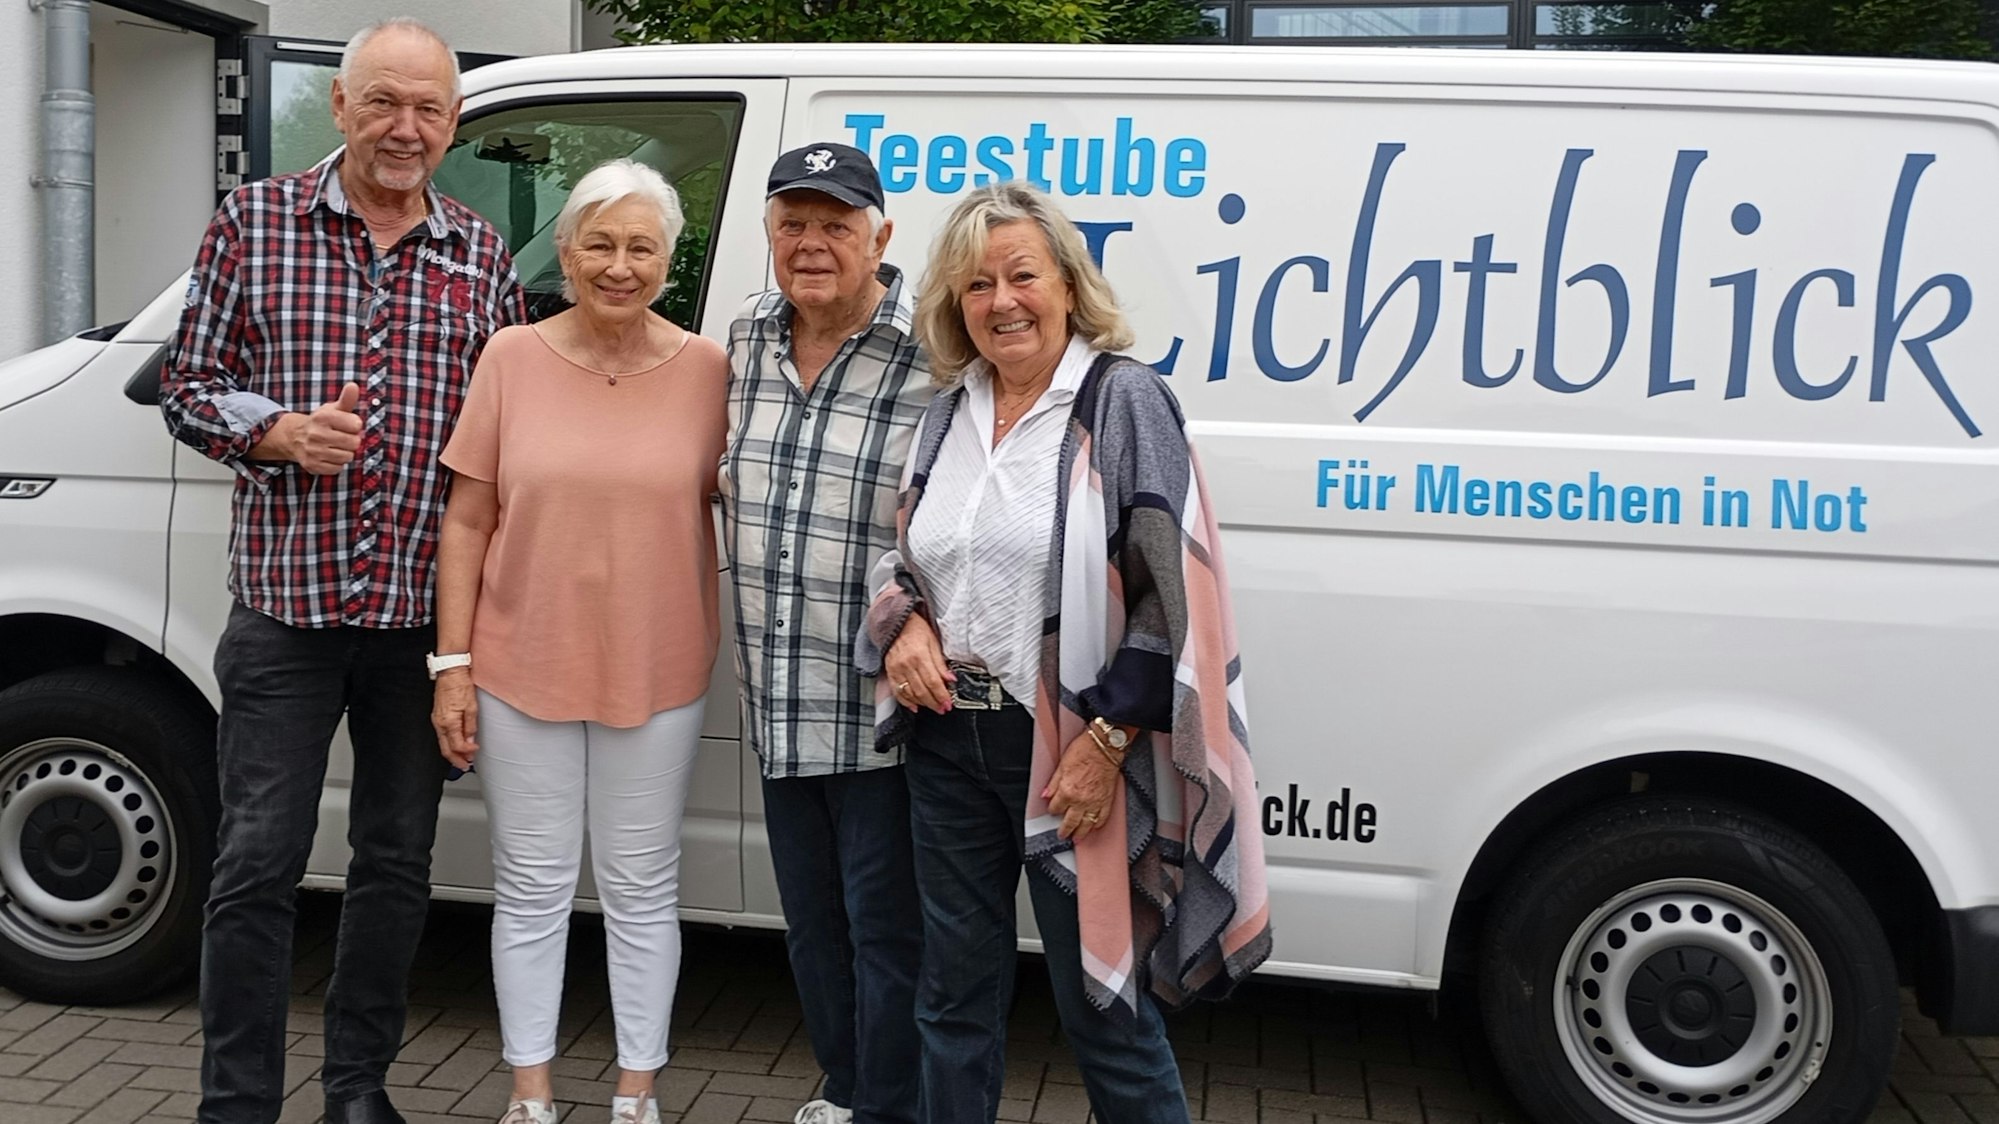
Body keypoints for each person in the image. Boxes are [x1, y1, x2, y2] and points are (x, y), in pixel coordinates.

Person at [159, 19, 525, 1124]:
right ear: (341, 107)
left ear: (453, 122)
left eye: (428, 109)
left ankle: (358, 1088)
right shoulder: (253, 222)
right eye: (384, 103)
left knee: (395, 866)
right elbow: (187, 381)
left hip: (422, 620)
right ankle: (237, 1103)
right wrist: (273, 430)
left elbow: (505, 441)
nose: (406, 128)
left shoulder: (480, 253)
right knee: (256, 862)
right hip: (286, 609)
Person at [858, 181, 1274, 1124]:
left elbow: (1172, 596)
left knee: (1103, 1004)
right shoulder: (946, 411)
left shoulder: (1121, 401)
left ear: (1069, 285)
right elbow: (905, 551)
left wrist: (1109, 741)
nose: (1000, 300)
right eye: (976, 283)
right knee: (951, 1000)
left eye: (1021, 276)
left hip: (1068, 750)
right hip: (944, 742)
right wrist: (903, 627)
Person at [429, 158, 728, 1124]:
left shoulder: (708, 372)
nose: (618, 264)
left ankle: (636, 1094)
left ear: (668, 261)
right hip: (520, 666)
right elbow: (466, 522)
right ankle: (529, 1094)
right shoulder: (510, 358)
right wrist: (453, 667)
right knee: (531, 887)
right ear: (564, 252)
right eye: (598, 243)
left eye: (641, 246)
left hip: (661, 666)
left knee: (643, 889)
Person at [720, 142, 931, 1124]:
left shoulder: (935, 349)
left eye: (835, 224)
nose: (810, 244)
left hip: (882, 710)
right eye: (791, 223)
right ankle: (845, 1088)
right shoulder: (745, 335)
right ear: (768, 234)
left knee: (885, 930)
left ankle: (882, 1101)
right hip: (776, 693)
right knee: (810, 927)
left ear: (880, 236)